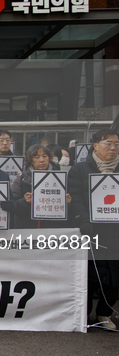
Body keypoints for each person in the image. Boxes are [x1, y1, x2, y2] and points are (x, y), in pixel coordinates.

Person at [68, 128, 119, 330]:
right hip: (90, 229)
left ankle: (104, 314)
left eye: (116, 144)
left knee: (114, 273)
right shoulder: (80, 169)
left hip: (115, 230)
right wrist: (83, 219)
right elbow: (75, 196)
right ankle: (85, 313)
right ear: (95, 145)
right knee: (89, 272)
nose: (113, 148)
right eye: (108, 143)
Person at [11, 144, 71, 229]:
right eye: (37, 157)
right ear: (31, 160)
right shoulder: (21, 180)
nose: (42, 160)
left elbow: (70, 208)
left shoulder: (61, 180)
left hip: (54, 230)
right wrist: (25, 201)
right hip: (27, 229)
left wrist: (67, 203)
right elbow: (12, 205)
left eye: (45, 156)